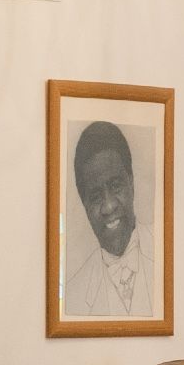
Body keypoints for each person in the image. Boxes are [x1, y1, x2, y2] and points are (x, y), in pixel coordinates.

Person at [66, 119, 155, 318]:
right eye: (96, 196)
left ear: (131, 182)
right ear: (85, 206)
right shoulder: (72, 296)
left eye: (115, 185)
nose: (108, 206)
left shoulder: (171, 252)